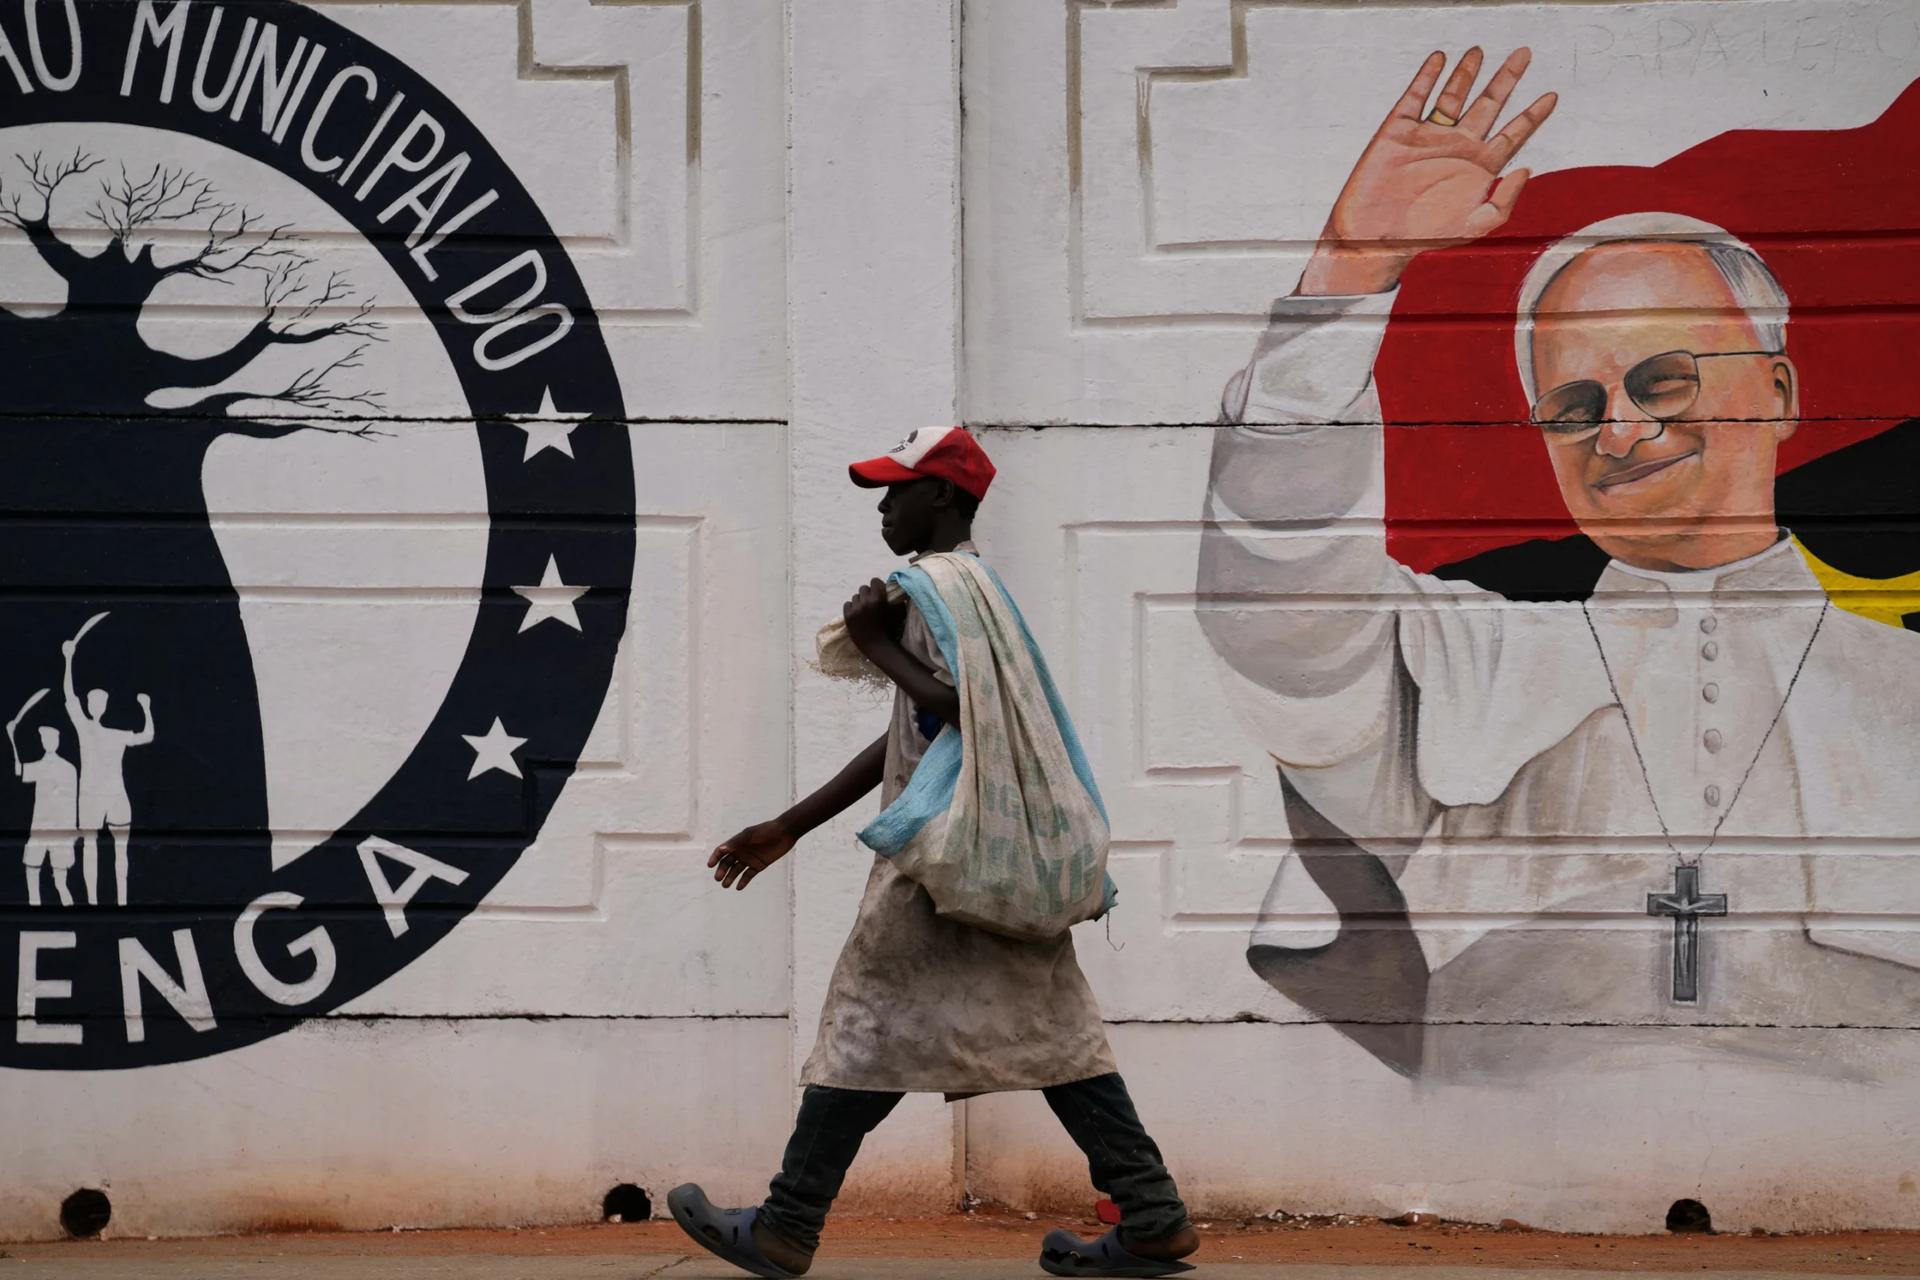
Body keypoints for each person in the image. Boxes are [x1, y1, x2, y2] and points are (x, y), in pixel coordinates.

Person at [1200, 47, 1920, 1078]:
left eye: (1663, 381)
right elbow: (1281, 602)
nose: (1617, 430)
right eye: (1573, 406)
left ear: (1779, 391)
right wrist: (1346, 276)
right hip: (1511, 1164)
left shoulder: (1905, 688)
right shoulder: (1473, 662)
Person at [669, 427, 1198, 1278]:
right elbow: (916, 735)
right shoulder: (974, 589)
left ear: (943, 494)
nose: (883, 507)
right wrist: (792, 824)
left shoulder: (934, 590)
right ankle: (1153, 1215)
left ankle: (786, 1225)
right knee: (1054, 1035)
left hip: (939, 864)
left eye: (897, 490)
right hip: (991, 856)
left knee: (862, 1029)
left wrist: (875, 642)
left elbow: (964, 714)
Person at [63, 629, 155, 908]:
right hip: (91, 797)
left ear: (105, 706)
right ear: (89, 704)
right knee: (90, 847)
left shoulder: (116, 735)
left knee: (119, 850)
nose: (96, 705)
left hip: (116, 796)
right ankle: (92, 902)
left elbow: (147, 736)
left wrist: (146, 708)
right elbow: (69, 696)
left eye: (100, 702)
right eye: (93, 701)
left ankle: (122, 901)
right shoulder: (84, 728)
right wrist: (68, 660)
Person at [11, 715, 78, 909]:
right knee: (34, 872)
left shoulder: (65, 768)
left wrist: (12, 738)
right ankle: (36, 906)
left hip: (56, 831)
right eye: (45, 739)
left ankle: (64, 911)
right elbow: (19, 770)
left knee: (58, 882)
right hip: (45, 829)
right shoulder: (47, 767)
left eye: (51, 738)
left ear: (57, 741)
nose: (48, 742)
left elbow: (19, 768)